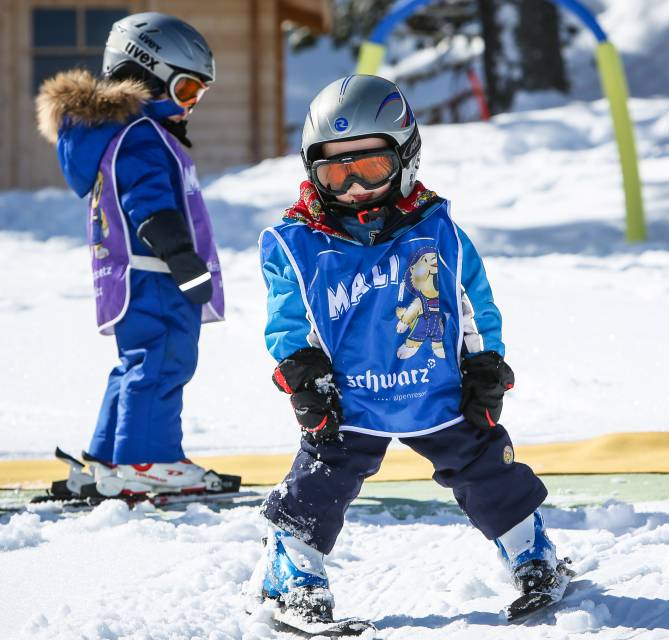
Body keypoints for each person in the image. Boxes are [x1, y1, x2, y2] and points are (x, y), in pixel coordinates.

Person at [249, 74, 566, 629]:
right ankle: (291, 577)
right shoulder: (296, 243)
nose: (352, 188)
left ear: (406, 158)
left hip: (435, 389)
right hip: (348, 403)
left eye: (369, 168)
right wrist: (304, 378)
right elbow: (288, 318)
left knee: (488, 469)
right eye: (335, 171)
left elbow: (474, 303)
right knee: (317, 485)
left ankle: (530, 552)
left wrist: (485, 366)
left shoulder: (437, 231)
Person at [35, 12, 228, 497]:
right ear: (144, 73)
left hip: (136, 275)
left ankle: (109, 458)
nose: (191, 107)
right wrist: (184, 261)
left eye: (198, 97)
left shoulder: (121, 134)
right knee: (163, 362)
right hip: (155, 273)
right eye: (186, 92)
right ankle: (150, 460)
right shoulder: (138, 135)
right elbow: (150, 206)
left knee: (137, 363)